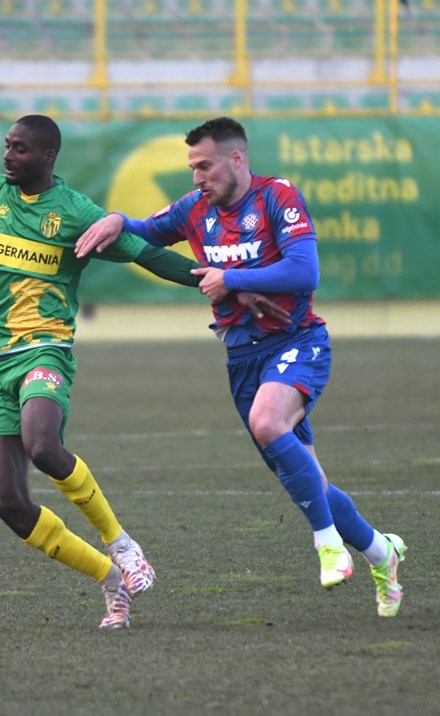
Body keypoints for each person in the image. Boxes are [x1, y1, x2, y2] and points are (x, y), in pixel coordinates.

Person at [0, 114, 285, 629]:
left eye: (19, 148)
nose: (7, 155)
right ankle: (110, 578)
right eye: (6, 145)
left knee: (42, 444)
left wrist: (230, 282)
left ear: (47, 157)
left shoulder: (75, 213)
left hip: (44, 350)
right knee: (7, 503)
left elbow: (149, 255)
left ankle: (121, 543)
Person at [75, 116, 407, 618]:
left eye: (205, 166)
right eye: (192, 167)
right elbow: (145, 234)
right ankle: (382, 552)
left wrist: (230, 278)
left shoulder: (277, 197)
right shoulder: (194, 208)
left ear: (236, 158)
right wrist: (118, 220)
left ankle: (329, 545)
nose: (197, 177)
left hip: (297, 341)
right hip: (242, 359)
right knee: (308, 480)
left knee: (268, 423)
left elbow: (305, 271)